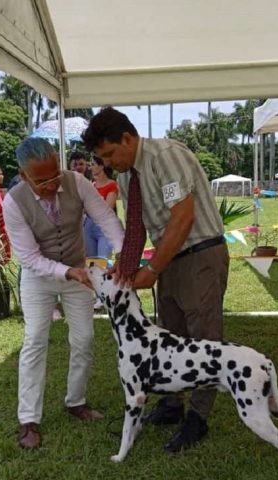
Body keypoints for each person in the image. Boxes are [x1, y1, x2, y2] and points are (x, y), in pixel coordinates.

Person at [82, 106, 229, 454]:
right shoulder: (126, 174)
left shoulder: (166, 156)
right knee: (170, 333)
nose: (105, 164)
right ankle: (170, 403)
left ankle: (198, 416)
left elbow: (183, 218)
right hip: (169, 257)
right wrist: (126, 266)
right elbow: (136, 226)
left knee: (203, 337)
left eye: (108, 154)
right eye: (100, 158)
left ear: (128, 138)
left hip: (199, 254)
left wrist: (152, 270)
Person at [2, 138, 124, 450]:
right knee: (34, 342)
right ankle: (28, 419)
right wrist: (69, 271)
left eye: (55, 173)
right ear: (23, 174)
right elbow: (28, 258)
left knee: (84, 339)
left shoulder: (77, 182)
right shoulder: (13, 202)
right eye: (42, 179)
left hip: (76, 273)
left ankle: (76, 401)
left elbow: (106, 218)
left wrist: (125, 253)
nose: (52, 183)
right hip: (39, 279)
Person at [83, 156, 118, 260]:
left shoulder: (112, 185)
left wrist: (89, 207)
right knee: (90, 261)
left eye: (93, 164)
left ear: (101, 166)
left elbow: (108, 208)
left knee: (102, 261)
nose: (90, 167)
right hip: (89, 225)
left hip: (104, 227)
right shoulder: (91, 185)